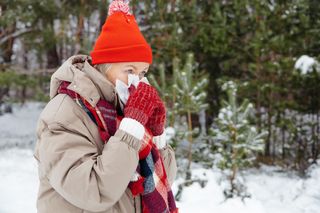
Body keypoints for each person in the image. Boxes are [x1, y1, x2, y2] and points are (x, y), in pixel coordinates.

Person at [33, 0, 178, 212]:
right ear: (103, 67)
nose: (136, 81)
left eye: (142, 73)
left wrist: (156, 134)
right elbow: (94, 191)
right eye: (129, 70)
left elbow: (164, 179)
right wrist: (132, 128)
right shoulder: (63, 114)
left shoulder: (126, 108)